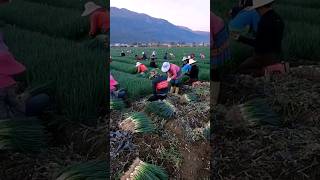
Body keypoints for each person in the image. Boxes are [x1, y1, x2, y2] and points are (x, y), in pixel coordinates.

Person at [0, 33, 50, 118]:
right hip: (10, 119)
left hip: (5, 114)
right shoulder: (6, 84)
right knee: (43, 98)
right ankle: (30, 119)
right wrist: (24, 97)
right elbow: (14, 105)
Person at [231, 0, 284, 77]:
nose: (256, 11)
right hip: (276, 56)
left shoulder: (264, 21)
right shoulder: (278, 18)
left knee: (241, 69)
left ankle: (266, 71)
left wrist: (240, 38)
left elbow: (258, 44)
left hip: (263, 56)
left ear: (261, 7)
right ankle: (274, 67)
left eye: (256, 9)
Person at [211, 12, 231, 105]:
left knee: (214, 68)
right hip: (216, 32)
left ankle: (214, 99)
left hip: (218, 35)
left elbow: (210, 42)